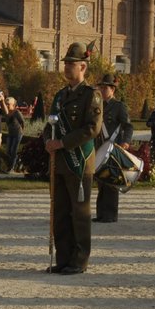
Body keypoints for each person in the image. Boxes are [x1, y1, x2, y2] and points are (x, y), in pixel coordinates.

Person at [44, 43, 102, 275]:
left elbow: (92, 128)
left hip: (79, 162)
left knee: (79, 213)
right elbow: (51, 123)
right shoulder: (60, 95)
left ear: (83, 67)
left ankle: (79, 260)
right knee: (59, 212)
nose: (67, 67)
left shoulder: (91, 95)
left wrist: (62, 143)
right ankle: (64, 257)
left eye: (71, 64)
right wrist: (48, 140)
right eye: (65, 63)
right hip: (59, 163)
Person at [93, 75, 133, 223]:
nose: (102, 90)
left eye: (105, 88)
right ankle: (101, 213)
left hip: (113, 147)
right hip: (100, 147)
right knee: (101, 181)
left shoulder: (119, 106)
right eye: (101, 87)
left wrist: (125, 142)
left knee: (111, 181)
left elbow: (127, 126)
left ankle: (110, 214)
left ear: (112, 89)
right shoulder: (98, 105)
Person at [4, 96, 28, 173]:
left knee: (13, 150)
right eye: (6, 104)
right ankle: (18, 160)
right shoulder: (6, 113)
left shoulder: (17, 113)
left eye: (8, 104)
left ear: (13, 105)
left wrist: (22, 131)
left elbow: (23, 122)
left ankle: (12, 168)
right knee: (8, 151)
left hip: (17, 133)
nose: (7, 106)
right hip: (10, 134)